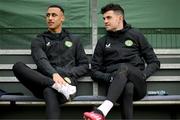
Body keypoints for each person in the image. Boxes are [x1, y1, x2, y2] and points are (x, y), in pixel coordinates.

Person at [83, 3, 160, 120]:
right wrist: (110, 78)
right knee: (127, 86)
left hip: (138, 85)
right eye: (104, 18)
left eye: (108, 18)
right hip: (114, 88)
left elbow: (154, 62)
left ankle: (101, 110)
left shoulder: (136, 35)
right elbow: (94, 71)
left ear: (120, 18)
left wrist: (142, 75)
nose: (105, 21)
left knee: (125, 68)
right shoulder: (102, 42)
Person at [12, 5, 89, 119]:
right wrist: (53, 75)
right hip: (42, 83)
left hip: (66, 83)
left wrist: (65, 75)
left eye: (54, 15)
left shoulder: (74, 40)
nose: (50, 18)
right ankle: (56, 86)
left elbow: (84, 65)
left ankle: (58, 87)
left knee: (49, 91)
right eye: (47, 15)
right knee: (18, 66)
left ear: (62, 18)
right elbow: (40, 60)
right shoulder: (39, 40)